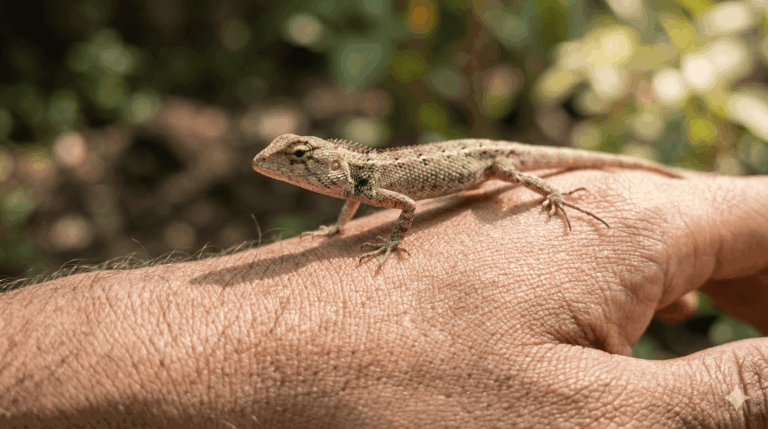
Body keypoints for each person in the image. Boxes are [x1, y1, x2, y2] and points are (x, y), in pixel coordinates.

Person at [1, 168, 765, 428]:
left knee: (518, 172)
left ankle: (553, 195)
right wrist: (336, 239)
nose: (283, 168)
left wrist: (398, 242)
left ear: (324, 165)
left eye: (297, 160)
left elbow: (400, 209)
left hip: (488, 163)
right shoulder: (352, 185)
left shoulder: (373, 181)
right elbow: (361, 208)